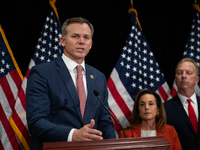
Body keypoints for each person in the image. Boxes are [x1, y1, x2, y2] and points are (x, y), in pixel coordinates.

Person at [26, 17, 116, 150]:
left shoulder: (98, 77)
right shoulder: (42, 73)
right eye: (75, 36)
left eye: (86, 37)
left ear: (91, 44)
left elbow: (105, 122)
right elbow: (36, 122)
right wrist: (73, 135)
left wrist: (112, 146)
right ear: (62, 41)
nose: (81, 41)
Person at [164, 58, 200, 150]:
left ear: (196, 80)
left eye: (188, 73)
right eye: (180, 73)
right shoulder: (164, 109)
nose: (184, 76)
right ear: (175, 79)